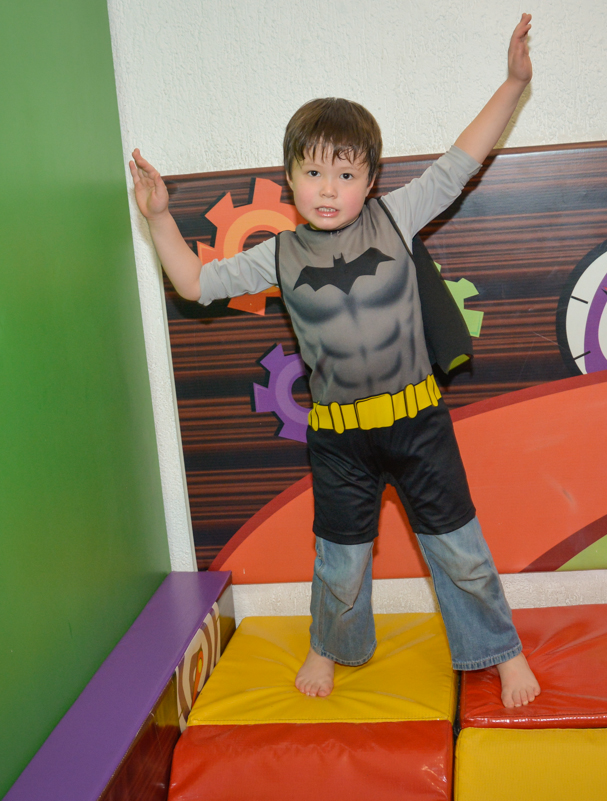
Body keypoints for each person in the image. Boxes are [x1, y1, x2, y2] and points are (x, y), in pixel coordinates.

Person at [130, 14, 540, 708]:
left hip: (417, 423)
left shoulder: (398, 215)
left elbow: (464, 156)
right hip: (341, 436)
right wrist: (159, 218)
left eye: (344, 173)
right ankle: (333, 645)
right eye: (312, 171)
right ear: (289, 178)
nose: (327, 188)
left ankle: (499, 651)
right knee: (340, 562)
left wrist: (513, 83)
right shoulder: (281, 254)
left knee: (460, 551)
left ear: (370, 179)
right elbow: (195, 284)